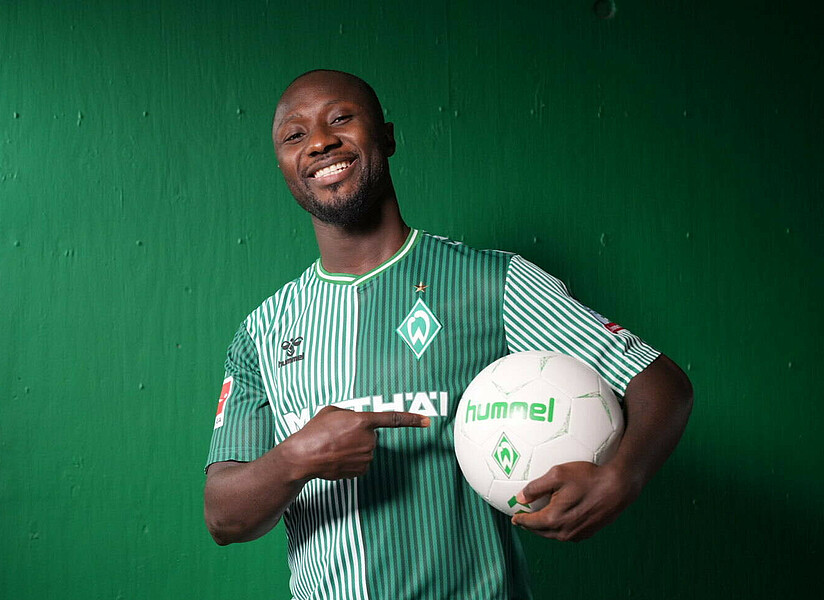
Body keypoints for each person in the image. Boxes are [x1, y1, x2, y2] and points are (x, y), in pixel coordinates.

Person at [203, 69, 693, 600]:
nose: (320, 141)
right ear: (282, 164)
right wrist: (296, 457)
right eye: (294, 135)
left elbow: (661, 384)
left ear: (386, 137)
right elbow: (224, 517)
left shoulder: (492, 283)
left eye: (341, 119)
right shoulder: (262, 332)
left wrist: (622, 477)